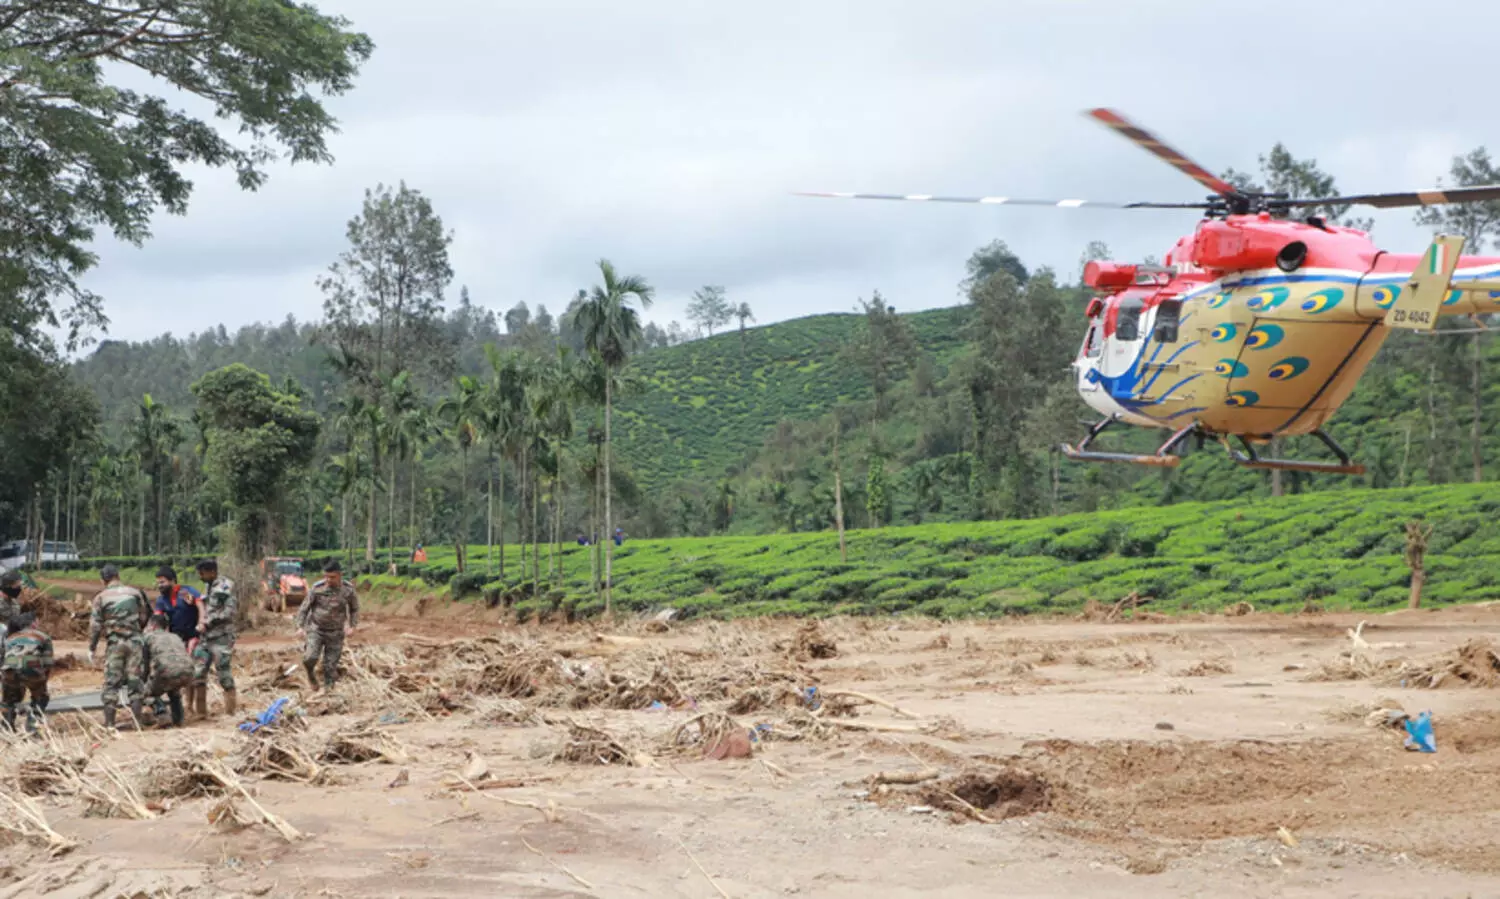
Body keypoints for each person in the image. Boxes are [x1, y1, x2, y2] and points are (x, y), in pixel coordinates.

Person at [88, 563, 149, 729]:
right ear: (118, 576)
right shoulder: (135, 593)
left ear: (103, 580)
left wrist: (92, 647)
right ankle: (137, 722)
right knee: (135, 681)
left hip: (115, 644)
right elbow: (143, 617)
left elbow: (95, 626)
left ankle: (109, 724)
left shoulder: (101, 597)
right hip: (135, 642)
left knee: (111, 682)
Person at [296, 559, 359, 692]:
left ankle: (328, 692)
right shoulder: (317, 588)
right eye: (326, 577)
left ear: (340, 575)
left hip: (336, 633)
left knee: (330, 667)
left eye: (332, 577)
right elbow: (304, 608)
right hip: (316, 629)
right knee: (310, 658)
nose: (328, 580)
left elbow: (354, 609)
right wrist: (300, 627)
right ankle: (310, 674)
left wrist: (352, 626)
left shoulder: (348, 590)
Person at [191, 558, 238, 719]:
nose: (200, 576)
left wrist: (208, 621)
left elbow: (230, 612)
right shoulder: (207, 587)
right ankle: (201, 713)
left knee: (223, 673)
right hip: (205, 638)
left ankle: (230, 712)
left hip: (221, 638)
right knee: (198, 673)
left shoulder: (225, 586)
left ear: (212, 572)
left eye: (202, 573)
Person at [1, 612, 52, 733]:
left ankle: (6, 728)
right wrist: (42, 683)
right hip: (31, 668)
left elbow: (3, 657)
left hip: (9, 669)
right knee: (41, 698)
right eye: (37, 621)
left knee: (8, 700)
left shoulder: (11, 637)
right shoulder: (43, 637)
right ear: (33, 623)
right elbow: (48, 663)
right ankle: (33, 727)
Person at [142, 613, 193, 727]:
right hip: (188, 672)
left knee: (145, 692)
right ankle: (178, 719)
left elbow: (145, 665)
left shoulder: (148, 637)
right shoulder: (175, 636)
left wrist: (144, 681)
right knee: (174, 690)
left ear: (153, 626)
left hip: (166, 671)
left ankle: (162, 713)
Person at [153, 565, 201, 650]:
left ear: (172, 580)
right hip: (176, 638)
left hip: (195, 636)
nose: (159, 585)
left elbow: (200, 605)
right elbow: (157, 618)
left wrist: (201, 623)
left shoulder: (185, 592)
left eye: (162, 582)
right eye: (158, 583)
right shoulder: (161, 600)